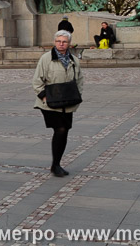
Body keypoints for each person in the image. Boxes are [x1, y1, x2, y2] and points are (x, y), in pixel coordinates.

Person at [32, 30, 84, 177]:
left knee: (64, 131)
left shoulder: (74, 60)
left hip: (67, 101)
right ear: (54, 42)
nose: (61, 44)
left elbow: (79, 79)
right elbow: (37, 80)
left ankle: (57, 163)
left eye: (64, 42)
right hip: (49, 102)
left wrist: (78, 95)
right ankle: (56, 165)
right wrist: (44, 97)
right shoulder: (46, 58)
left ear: (69, 43)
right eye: (58, 41)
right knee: (60, 129)